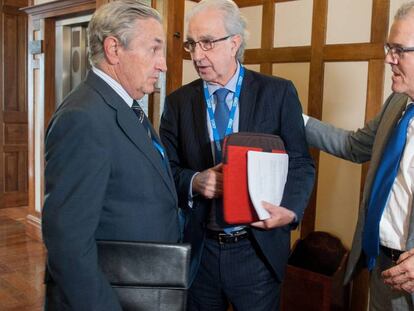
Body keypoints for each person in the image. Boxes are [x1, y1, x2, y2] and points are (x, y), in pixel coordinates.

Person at [159, 0, 315, 310]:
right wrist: (194, 181)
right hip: (200, 251)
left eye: (207, 43)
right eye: (191, 43)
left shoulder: (278, 93)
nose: (197, 55)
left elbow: (300, 161)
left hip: (256, 250)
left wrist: (291, 211)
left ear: (234, 43)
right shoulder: (177, 102)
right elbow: (164, 170)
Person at [42, 1, 181, 310]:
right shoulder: (83, 117)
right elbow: (67, 242)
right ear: (114, 49)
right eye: (154, 50)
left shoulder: (126, 108)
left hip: (142, 284)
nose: (163, 64)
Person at [304, 2, 414, 310]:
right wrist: (294, 118)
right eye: (388, 47)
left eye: (399, 50)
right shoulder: (396, 103)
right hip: (383, 269)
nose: (388, 58)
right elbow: (354, 146)